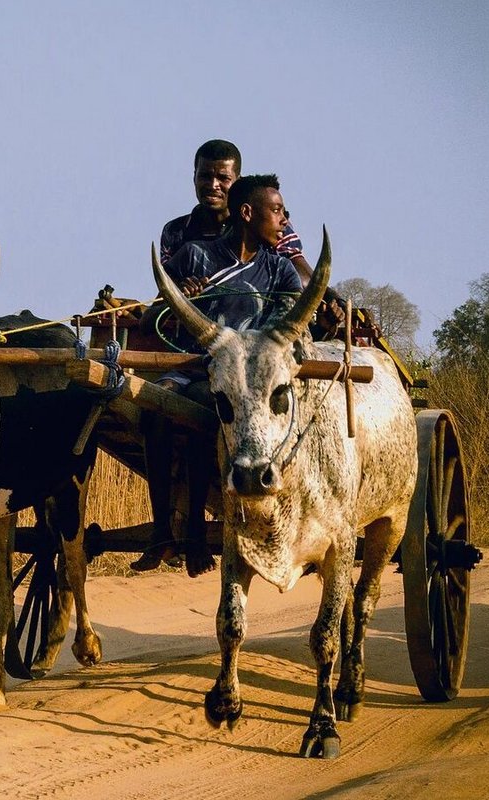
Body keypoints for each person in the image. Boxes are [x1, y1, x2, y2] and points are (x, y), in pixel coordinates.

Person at [133, 174, 304, 576]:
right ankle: (162, 532)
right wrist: (181, 302)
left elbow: (286, 331)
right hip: (193, 369)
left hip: (252, 385)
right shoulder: (192, 254)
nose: (284, 219)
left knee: (203, 414)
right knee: (155, 409)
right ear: (248, 213)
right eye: (277, 211)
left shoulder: (281, 273)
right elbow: (149, 317)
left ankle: (195, 532)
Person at [159, 140, 316, 284]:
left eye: (223, 178)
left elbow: (305, 280)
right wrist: (184, 289)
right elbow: (166, 288)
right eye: (205, 176)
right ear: (194, 177)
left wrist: (333, 299)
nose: (213, 185)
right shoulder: (175, 231)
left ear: (237, 181)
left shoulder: (265, 224)